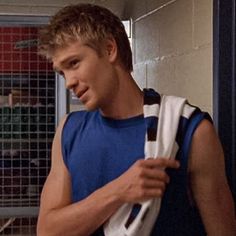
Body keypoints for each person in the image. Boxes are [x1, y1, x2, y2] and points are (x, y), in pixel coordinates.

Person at [36, 3, 236, 236]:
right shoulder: (68, 131)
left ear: (110, 49)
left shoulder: (188, 129)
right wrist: (118, 191)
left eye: (74, 63)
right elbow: (47, 230)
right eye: (62, 72)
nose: (68, 81)